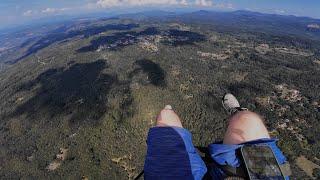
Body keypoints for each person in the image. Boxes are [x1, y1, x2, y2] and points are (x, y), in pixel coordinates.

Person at [143, 93, 291, 179]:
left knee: (166, 116)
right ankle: (238, 112)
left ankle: (238, 113)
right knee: (248, 120)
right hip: (245, 173)